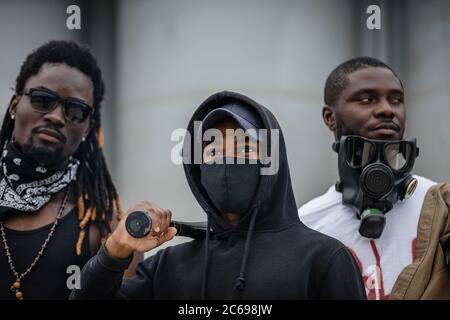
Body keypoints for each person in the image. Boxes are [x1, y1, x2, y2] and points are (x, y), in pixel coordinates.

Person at [70, 90, 366, 300]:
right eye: (213, 152)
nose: (228, 163)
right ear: (196, 168)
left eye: (246, 149)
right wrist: (115, 250)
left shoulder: (323, 259)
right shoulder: (169, 267)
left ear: (273, 161)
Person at [0, 40, 139, 300]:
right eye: (43, 99)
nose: (55, 116)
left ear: (87, 127)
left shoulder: (107, 227)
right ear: (15, 105)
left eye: (74, 110)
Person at [298, 57, 438, 299]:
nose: (387, 109)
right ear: (330, 117)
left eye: (397, 100)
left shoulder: (438, 206)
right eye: (366, 99)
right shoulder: (306, 225)